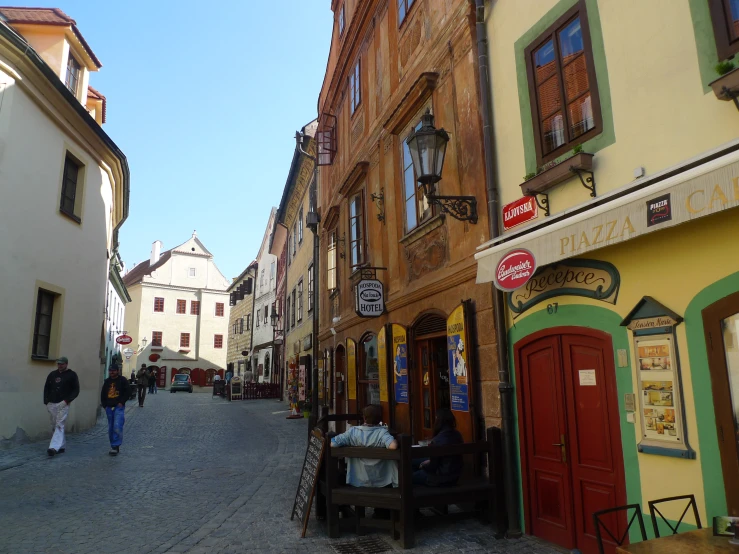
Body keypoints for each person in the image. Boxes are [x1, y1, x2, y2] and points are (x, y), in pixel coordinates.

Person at [331, 404, 398, 487]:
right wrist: (395, 439)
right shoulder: (382, 432)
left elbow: (333, 443)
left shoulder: (353, 432)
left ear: (364, 418)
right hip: (382, 479)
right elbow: (393, 446)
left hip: (357, 479)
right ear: (379, 419)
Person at [412, 408, 464, 486]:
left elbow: (433, 467)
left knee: (409, 477)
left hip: (439, 478)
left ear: (438, 421)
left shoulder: (437, 440)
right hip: (454, 476)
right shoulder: (457, 435)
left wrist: (423, 466)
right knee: (416, 461)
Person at [43, 356, 80, 457]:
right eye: (58, 364)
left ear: (66, 364)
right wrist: (46, 401)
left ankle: (54, 447)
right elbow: (47, 387)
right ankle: (62, 446)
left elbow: (76, 390)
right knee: (54, 424)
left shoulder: (72, 375)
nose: (60, 365)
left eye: (62, 364)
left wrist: (67, 400)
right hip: (52, 403)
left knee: (60, 424)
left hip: (63, 403)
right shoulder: (52, 374)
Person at [100, 364, 128, 456]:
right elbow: (103, 393)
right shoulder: (107, 381)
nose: (111, 372)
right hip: (109, 406)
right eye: (110, 370)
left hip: (118, 406)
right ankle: (113, 445)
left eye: (113, 370)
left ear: (117, 371)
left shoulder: (122, 380)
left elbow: (128, 391)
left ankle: (115, 445)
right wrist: (104, 405)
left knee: (117, 425)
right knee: (111, 426)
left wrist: (121, 402)